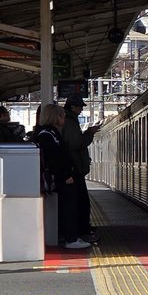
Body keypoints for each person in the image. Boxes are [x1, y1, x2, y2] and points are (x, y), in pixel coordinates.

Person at [33, 104, 91, 250]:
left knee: (69, 205)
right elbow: (53, 159)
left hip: (59, 176)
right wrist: (66, 175)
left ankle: (70, 236)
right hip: (59, 177)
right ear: (55, 117)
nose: (64, 118)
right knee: (69, 206)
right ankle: (70, 239)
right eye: (62, 116)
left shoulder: (50, 133)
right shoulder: (47, 134)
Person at [61, 96, 99, 244]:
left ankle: (82, 229)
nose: (81, 109)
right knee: (81, 202)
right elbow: (77, 143)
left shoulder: (69, 121)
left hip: (74, 167)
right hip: (74, 168)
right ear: (72, 107)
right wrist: (89, 133)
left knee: (79, 201)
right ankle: (83, 231)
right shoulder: (70, 122)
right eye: (79, 107)